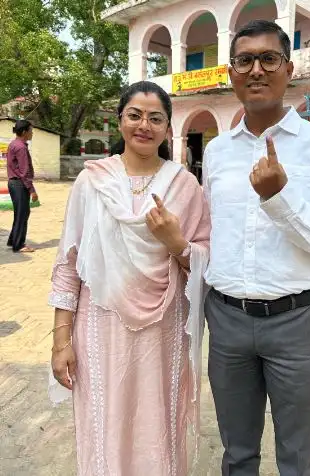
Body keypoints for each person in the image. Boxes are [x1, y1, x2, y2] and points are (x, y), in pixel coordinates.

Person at [202, 20, 310, 476]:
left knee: (298, 457)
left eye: (269, 58)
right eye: (245, 60)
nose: (256, 70)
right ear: (232, 72)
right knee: (238, 454)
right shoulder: (217, 152)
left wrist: (278, 198)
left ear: (289, 69)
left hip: (296, 323)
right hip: (227, 322)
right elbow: (211, 232)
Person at [48, 81, 210, 476]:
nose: (144, 125)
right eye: (135, 115)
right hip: (100, 329)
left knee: (157, 422)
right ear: (119, 120)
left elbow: (205, 264)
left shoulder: (184, 186)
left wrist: (175, 242)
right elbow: (69, 265)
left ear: (168, 128)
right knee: (105, 420)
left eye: (155, 118)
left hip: (163, 333)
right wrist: (59, 342)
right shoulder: (92, 182)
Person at [6, 120, 38, 253]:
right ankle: (18, 244)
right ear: (24, 132)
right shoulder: (21, 147)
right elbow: (24, 172)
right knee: (22, 213)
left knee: (20, 213)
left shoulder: (14, 144)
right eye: (31, 130)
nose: (32, 133)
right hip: (19, 184)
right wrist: (32, 190)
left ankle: (13, 240)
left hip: (14, 183)